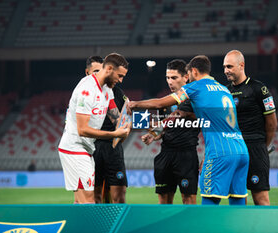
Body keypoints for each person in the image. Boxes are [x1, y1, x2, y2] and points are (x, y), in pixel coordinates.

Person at [129, 55, 249, 206]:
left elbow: (160, 103)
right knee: (238, 203)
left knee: (208, 203)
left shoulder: (195, 87)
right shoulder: (224, 89)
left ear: (192, 71)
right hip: (241, 149)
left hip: (219, 152)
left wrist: (135, 104)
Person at [58, 53, 130, 204]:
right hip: (74, 148)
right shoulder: (87, 90)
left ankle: (75, 227)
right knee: (89, 201)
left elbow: (115, 116)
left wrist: (124, 123)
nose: (121, 80)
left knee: (80, 202)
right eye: (120, 75)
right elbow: (82, 130)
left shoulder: (107, 89)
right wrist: (114, 133)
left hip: (86, 149)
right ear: (109, 68)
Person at [141, 59, 200, 204]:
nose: (170, 81)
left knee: (189, 201)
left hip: (187, 155)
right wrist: (153, 135)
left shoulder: (195, 99)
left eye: (174, 78)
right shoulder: (165, 103)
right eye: (168, 78)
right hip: (166, 154)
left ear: (186, 77)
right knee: (164, 203)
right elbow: (163, 130)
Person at [225, 50, 278, 206]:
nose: (226, 70)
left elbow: (272, 123)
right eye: (224, 67)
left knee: (260, 197)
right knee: (236, 197)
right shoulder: (225, 91)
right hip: (233, 149)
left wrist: (262, 145)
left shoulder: (259, 89)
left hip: (255, 148)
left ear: (241, 65)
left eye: (229, 66)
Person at [91, 60, 129, 204]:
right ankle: (99, 225)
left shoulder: (117, 92)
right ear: (88, 72)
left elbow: (125, 118)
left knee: (119, 196)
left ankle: (119, 225)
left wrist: (124, 131)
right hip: (93, 147)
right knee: (95, 196)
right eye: (94, 71)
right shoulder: (86, 90)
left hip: (113, 148)